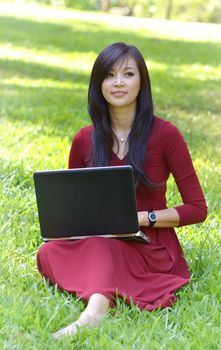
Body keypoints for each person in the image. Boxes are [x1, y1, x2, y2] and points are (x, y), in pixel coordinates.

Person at [37, 42, 207, 339]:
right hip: (99, 239)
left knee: (106, 249)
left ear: (141, 82)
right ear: (98, 83)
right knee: (49, 252)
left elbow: (197, 208)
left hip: (149, 244)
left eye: (128, 74)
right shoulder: (84, 140)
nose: (118, 83)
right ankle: (107, 285)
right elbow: (75, 205)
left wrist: (140, 218)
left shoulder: (166, 135)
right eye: (109, 75)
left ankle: (94, 312)